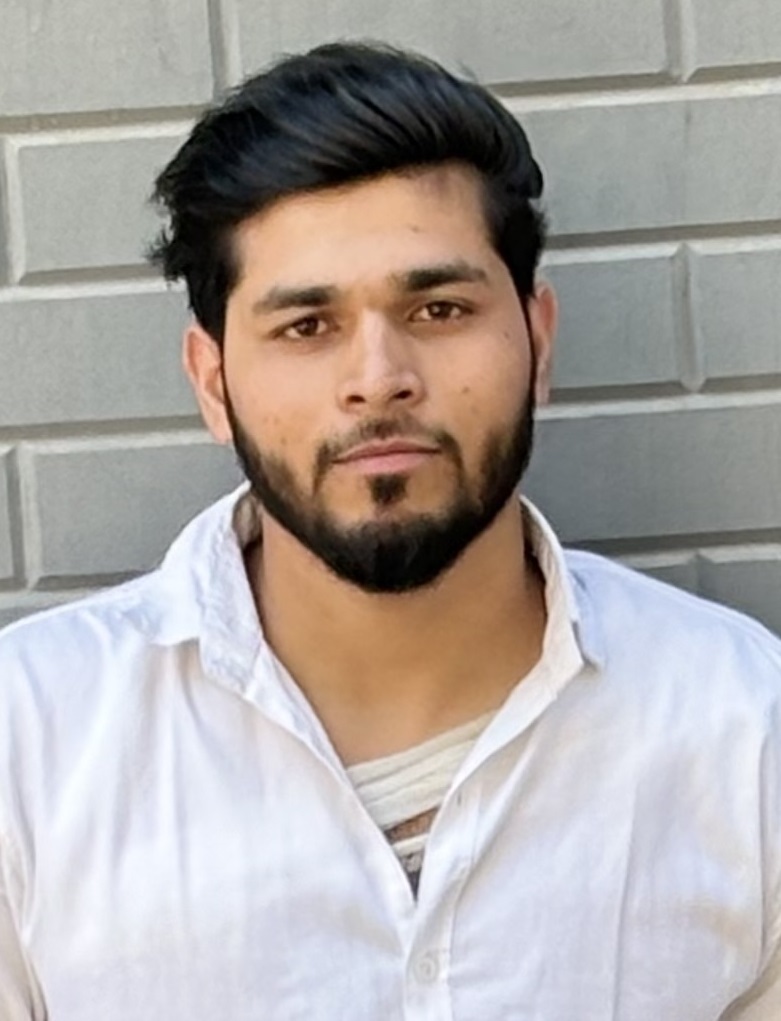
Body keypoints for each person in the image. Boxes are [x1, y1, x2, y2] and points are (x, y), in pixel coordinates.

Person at [0, 41, 779, 1021]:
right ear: (212, 381)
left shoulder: (742, 728)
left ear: (537, 340)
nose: (378, 378)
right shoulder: (29, 746)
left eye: (438, 308)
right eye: (306, 326)